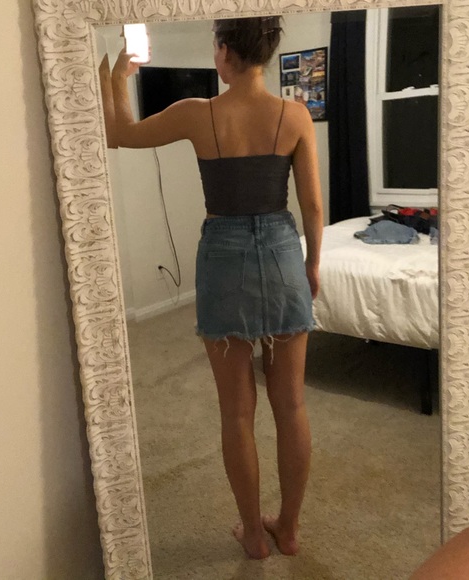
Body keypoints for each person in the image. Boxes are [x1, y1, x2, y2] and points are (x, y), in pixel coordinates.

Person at [102, 16, 323, 559]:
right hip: (281, 250)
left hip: (223, 254)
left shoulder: (196, 113)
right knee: (291, 405)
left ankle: (254, 534)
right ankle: (290, 528)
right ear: (266, 52)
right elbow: (313, 206)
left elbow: (119, 134)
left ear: (224, 50)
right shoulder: (295, 115)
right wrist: (312, 264)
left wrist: (116, 78)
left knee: (237, 412)